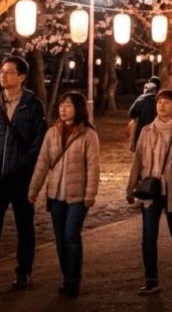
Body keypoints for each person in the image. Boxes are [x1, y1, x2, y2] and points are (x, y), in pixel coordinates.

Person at [0, 56, 47, 295]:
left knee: (24, 226)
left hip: (22, 177)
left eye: (9, 72)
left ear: (21, 77)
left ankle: (23, 272)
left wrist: (26, 164)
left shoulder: (32, 105)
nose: (3, 75)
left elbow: (39, 139)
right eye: (2, 71)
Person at [28, 92, 100, 297]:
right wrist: (34, 189)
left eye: (68, 105)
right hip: (55, 195)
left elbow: (93, 167)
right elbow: (42, 162)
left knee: (71, 236)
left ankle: (73, 281)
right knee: (60, 241)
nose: (63, 109)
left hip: (78, 196)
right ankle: (67, 277)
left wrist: (90, 194)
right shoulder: (52, 133)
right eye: (61, 105)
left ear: (78, 108)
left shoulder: (89, 134)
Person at [129, 89, 172, 295]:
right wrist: (131, 187)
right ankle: (151, 279)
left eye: (167, 102)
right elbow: (137, 161)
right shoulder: (147, 130)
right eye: (159, 102)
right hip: (151, 189)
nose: (162, 105)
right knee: (148, 235)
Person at [128, 78, 161, 151]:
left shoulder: (141, 99)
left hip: (142, 129)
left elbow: (132, 113)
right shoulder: (161, 98)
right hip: (159, 129)